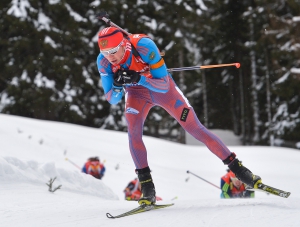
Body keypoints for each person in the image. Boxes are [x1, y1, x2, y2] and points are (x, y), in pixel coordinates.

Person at [96, 26, 262, 206]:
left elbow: (163, 85)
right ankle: (147, 188)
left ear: (124, 44)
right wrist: (118, 85)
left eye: (113, 51)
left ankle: (239, 170)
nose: (110, 56)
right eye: (104, 52)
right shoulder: (104, 62)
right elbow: (112, 99)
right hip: (136, 95)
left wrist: (139, 78)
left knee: (195, 128)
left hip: (161, 90)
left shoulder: (144, 46)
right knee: (133, 133)